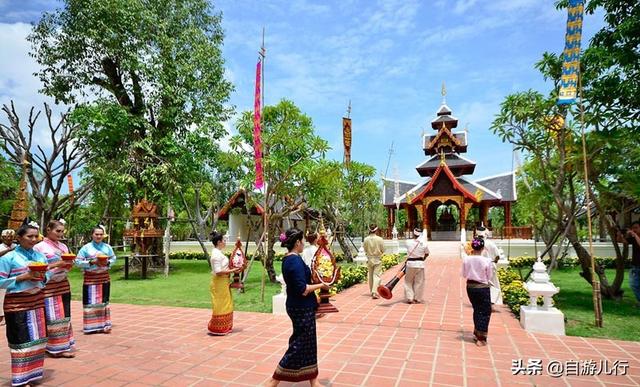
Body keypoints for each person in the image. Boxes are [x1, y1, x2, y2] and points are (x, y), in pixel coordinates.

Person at [267, 228, 328, 387]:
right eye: (302, 240)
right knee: (299, 344)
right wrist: (323, 284)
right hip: (300, 307)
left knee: (308, 343)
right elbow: (303, 289)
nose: (304, 243)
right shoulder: (293, 261)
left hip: (302, 306)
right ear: (297, 243)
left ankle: (313, 380)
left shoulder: (292, 258)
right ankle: (274, 380)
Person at [0, 221, 50, 386]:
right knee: (21, 340)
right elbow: (0, 281)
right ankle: (20, 379)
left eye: (36, 236)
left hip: (37, 301)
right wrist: (22, 277)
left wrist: (43, 277)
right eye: (30, 236)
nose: (34, 239)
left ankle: (33, 374)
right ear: (19, 238)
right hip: (17, 304)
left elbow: (46, 277)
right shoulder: (9, 257)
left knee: (38, 338)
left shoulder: (40, 257)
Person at [34, 220, 75, 358]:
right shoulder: (39, 247)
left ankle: (64, 343)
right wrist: (58, 264)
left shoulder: (63, 246)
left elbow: (68, 262)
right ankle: (55, 347)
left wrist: (69, 265)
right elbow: (37, 267)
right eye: (58, 231)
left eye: (62, 231)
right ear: (48, 229)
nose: (61, 234)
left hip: (63, 283)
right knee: (52, 316)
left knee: (65, 314)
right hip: (49, 286)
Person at [76, 225, 116, 334]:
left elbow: (113, 258)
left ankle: (105, 325)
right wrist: (90, 262)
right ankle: (91, 326)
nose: (98, 236)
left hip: (104, 278)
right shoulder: (85, 248)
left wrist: (107, 262)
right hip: (90, 278)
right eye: (96, 234)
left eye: (101, 234)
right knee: (90, 302)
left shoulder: (107, 247)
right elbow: (78, 262)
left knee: (104, 301)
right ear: (92, 235)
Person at [462, 237, 494, 346]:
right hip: (482, 287)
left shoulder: (466, 259)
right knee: (485, 311)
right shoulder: (486, 260)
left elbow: (464, 274)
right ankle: (481, 337)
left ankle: (476, 332)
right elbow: (489, 275)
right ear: (483, 248)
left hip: (470, 287)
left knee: (476, 309)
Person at [207, 231, 240, 335]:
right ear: (219, 242)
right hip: (219, 283)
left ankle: (225, 326)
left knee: (226, 303)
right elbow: (218, 271)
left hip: (223, 282)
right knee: (221, 305)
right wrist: (233, 270)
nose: (225, 242)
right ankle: (218, 328)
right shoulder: (215, 255)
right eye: (224, 240)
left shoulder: (219, 253)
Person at [476, 226, 502, 304]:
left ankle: (483, 300)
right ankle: (491, 300)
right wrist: (494, 261)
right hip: (490, 265)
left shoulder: (476, 243)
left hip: (479, 266)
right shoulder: (490, 244)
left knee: (481, 284)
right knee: (492, 284)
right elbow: (497, 256)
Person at [404, 228, 429, 304]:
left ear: (413, 234)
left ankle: (409, 298)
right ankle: (417, 298)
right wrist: (422, 258)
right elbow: (427, 253)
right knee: (419, 282)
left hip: (410, 264)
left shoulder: (408, 242)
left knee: (408, 281)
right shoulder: (424, 244)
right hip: (420, 264)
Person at [363, 224, 385, 299]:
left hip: (369, 258)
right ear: (376, 230)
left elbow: (365, 249)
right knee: (376, 276)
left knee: (370, 275)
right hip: (377, 258)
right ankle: (374, 292)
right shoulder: (380, 239)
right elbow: (383, 250)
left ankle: (372, 290)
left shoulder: (366, 239)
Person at [0, 229, 16, 327]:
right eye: (6, 237)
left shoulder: (16, 247)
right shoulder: (1, 247)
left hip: (14, 274)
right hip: (2, 274)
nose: (8, 239)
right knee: (1, 295)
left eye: (10, 237)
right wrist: (8, 250)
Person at [624, 221, 640, 307]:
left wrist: (634, 234)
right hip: (636, 265)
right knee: (633, 284)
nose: (634, 230)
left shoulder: (636, 237)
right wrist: (620, 233)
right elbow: (621, 241)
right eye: (633, 228)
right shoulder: (633, 238)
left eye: (636, 228)